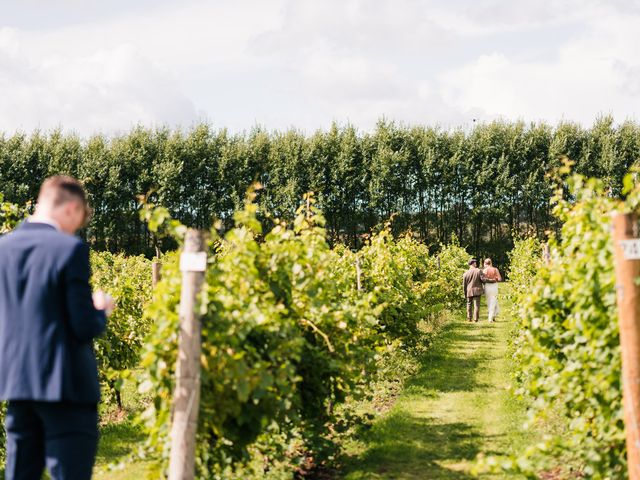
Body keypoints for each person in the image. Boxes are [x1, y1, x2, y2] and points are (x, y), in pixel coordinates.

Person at [0, 176, 115, 480]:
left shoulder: (4, 248)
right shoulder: (68, 249)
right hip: (65, 386)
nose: (76, 227)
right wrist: (101, 311)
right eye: (79, 219)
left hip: (17, 385)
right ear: (72, 208)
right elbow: (83, 326)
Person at [463, 258, 484, 322]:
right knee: (476, 305)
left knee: (469, 304)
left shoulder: (465, 273)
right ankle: (475, 319)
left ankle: (469, 318)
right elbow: (483, 280)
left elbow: (464, 285)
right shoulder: (478, 271)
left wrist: (465, 293)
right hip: (477, 290)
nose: (476, 264)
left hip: (469, 291)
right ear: (473, 263)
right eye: (475, 262)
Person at [481, 258, 502, 322]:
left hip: (487, 286)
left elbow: (483, 279)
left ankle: (493, 316)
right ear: (491, 263)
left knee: (489, 301)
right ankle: (491, 317)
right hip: (494, 286)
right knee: (493, 300)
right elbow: (500, 279)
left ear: (485, 263)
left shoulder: (484, 270)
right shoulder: (495, 269)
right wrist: (495, 278)